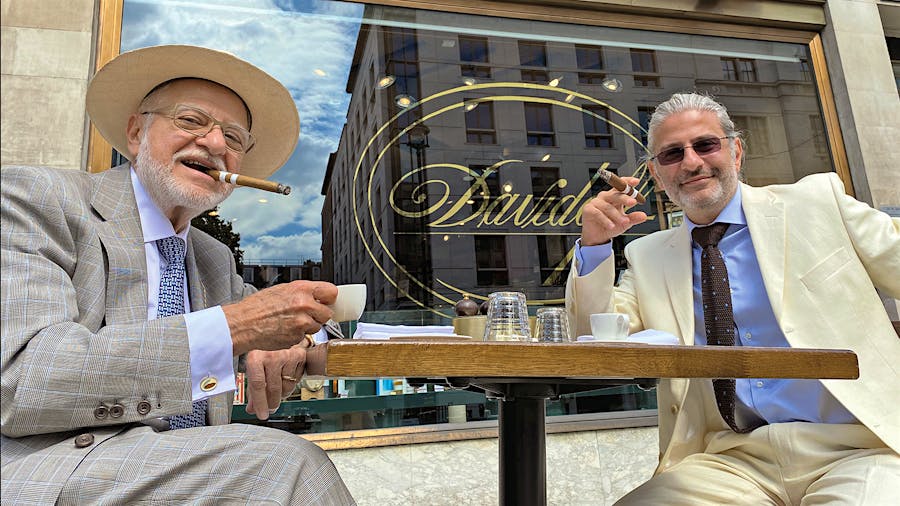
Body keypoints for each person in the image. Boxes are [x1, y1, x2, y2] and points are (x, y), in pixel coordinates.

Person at [1, 45, 355, 504]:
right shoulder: (38, 197)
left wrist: (295, 340)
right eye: (190, 121)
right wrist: (237, 328)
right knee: (283, 465)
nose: (215, 145)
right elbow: (20, 381)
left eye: (233, 138)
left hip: (186, 467)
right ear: (136, 133)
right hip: (54, 468)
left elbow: (308, 322)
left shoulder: (213, 257)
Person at [566, 92, 899, 504]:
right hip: (733, 459)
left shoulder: (818, 203)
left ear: (736, 152)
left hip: (859, 446)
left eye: (705, 145)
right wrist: (596, 246)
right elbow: (593, 338)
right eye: (672, 154)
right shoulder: (647, 256)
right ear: (656, 174)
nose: (691, 162)